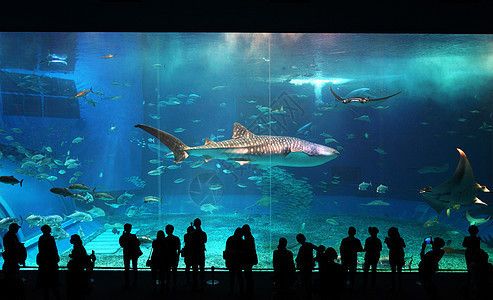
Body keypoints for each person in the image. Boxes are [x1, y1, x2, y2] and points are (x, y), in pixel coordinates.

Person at [66, 234, 96, 300]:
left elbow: (79, 257)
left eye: (72, 239)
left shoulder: (77, 247)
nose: (70, 240)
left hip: (77, 269)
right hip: (79, 268)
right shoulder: (80, 246)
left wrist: (72, 256)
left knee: (77, 286)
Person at [2, 222, 26, 298]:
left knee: (12, 278)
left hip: (11, 261)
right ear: (13, 228)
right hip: (11, 262)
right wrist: (20, 246)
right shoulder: (9, 236)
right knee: (12, 279)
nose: (18, 230)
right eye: (17, 228)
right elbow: (12, 249)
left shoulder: (11, 235)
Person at [36, 225, 60, 300]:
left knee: (45, 286)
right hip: (51, 264)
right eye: (49, 229)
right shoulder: (51, 238)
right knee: (54, 284)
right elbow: (54, 249)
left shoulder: (41, 238)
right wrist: (56, 258)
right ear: (48, 230)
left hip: (43, 264)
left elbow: (40, 251)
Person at [119, 223, 142, 288]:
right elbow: (138, 243)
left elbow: (121, 245)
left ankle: (127, 282)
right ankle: (135, 281)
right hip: (134, 253)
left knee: (126, 268)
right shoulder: (133, 236)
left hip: (126, 253)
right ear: (130, 229)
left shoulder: (122, 237)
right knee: (135, 267)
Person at [295, 233, 316, 300]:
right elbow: (319, 249)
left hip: (303, 268)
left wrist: (298, 265)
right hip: (309, 267)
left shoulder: (302, 248)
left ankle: (305, 296)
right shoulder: (310, 244)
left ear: (298, 241)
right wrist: (314, 259)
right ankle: (310, 296)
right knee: (309, 282)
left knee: (304, 284)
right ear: (305, 238)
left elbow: (298, 259)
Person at [224, 227, 244, 295]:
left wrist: (227, 261)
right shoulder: (241, 240)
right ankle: (240, 291)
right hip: (237, 262)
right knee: (239, 276)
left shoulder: (230, 239)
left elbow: (227, 250)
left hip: (232, 262)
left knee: (233, 277)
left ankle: (232, 291)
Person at [190, 218, 207, 290]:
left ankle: (195, 284)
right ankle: (202, 284)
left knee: (195, 269)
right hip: (201, 253)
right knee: (202, 268)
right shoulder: (203, 233)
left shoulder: (192, 234)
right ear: (200, 224)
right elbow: (205, 241)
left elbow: (190, 241)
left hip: (194, 253)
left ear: (194, 224)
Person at [241, 224, 257, 296]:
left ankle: (249, 291)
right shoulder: (250, 237)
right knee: (248, 275)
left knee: (248, 275)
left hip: (248, 260)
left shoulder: (248, 239)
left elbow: (247, 250)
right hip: (249, 259)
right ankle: (250, 290)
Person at [164, 224, 181, 290]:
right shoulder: (176, 238)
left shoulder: (165, 239)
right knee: (174, 271)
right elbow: (179, 249)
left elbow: (163, 250)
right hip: (174, 256)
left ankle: (168, 285)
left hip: (167, 257)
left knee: (167, 272)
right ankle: (174, 285)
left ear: (166, 231)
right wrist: (178, 257)